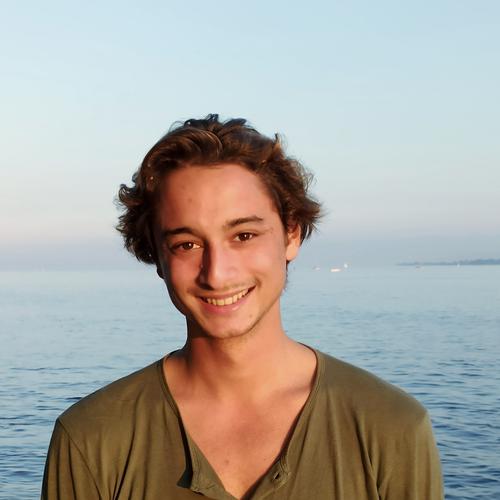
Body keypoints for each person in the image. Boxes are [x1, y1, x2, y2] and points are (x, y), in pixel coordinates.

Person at [42, 115, 443, 499]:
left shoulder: (390, 427)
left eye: (244, 235)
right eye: (186, 244)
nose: (217, 273)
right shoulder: (91, 438)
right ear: (156, 256)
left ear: (291, 234)